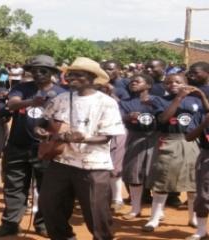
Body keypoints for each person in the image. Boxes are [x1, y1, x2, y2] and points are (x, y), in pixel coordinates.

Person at [37, 57, 125, 240]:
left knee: (96, 215)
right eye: (70, 74)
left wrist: (83, 137)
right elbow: (44, 121)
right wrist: (40, 129)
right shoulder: (60, 98)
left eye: (78, 74)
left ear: (92, 77)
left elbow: (107, 136)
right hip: (60, 161)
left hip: (92, 166)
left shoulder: (106, 102)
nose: (71, 78)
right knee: (49, 206)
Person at [0, 55, 66, 239]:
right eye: (34, 70)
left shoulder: (62, 93)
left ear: (53, 73)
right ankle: (10, 225)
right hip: (17, 146)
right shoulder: (22, 88)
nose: (38, 74)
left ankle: (44, 224)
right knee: (13, 187)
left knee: (48, 189)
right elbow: (12, 104)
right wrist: (31, 102)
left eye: (43, 70)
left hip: (47, 148)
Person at [142, 74, 202, 232]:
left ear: (186, 83)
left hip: (191, 142)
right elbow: (163, 118)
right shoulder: (160, 100)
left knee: (193, 182)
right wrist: (179, 99)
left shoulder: (195, 100)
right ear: (164, 85)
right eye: (168, 82)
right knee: (163, 180)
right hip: (169, 141)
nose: (173, 84)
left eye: (178, 82)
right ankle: (154, 219)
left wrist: (201, 95)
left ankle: (193, 217)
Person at [119, 74, 160, 219]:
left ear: (148, 85)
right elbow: (118, 117)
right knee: (134, 173)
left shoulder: (157, 101)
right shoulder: (125, 102)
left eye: (138, 81)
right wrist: (128, 117)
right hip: (135, 137)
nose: (133, 83)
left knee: (155, 175)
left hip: (156, 138)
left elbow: (164, 117)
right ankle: (135, 209)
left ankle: (157, 212)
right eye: (131, 81)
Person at [102, 60, 130, 213]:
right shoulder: (96, 85)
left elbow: (125, 108)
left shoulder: (124, 86)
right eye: (105, 68)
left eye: (111, 69)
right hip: (99, 128)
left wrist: (111, 93)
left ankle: (117, 198)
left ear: (119, 70)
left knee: (115, 165)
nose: (107, 71)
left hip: (118, 128)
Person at [185, 110, 209, 240]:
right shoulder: (201, 114)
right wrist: (204, 123)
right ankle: (201, 231)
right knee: (203, 195)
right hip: (207, 155)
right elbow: (188, 137)